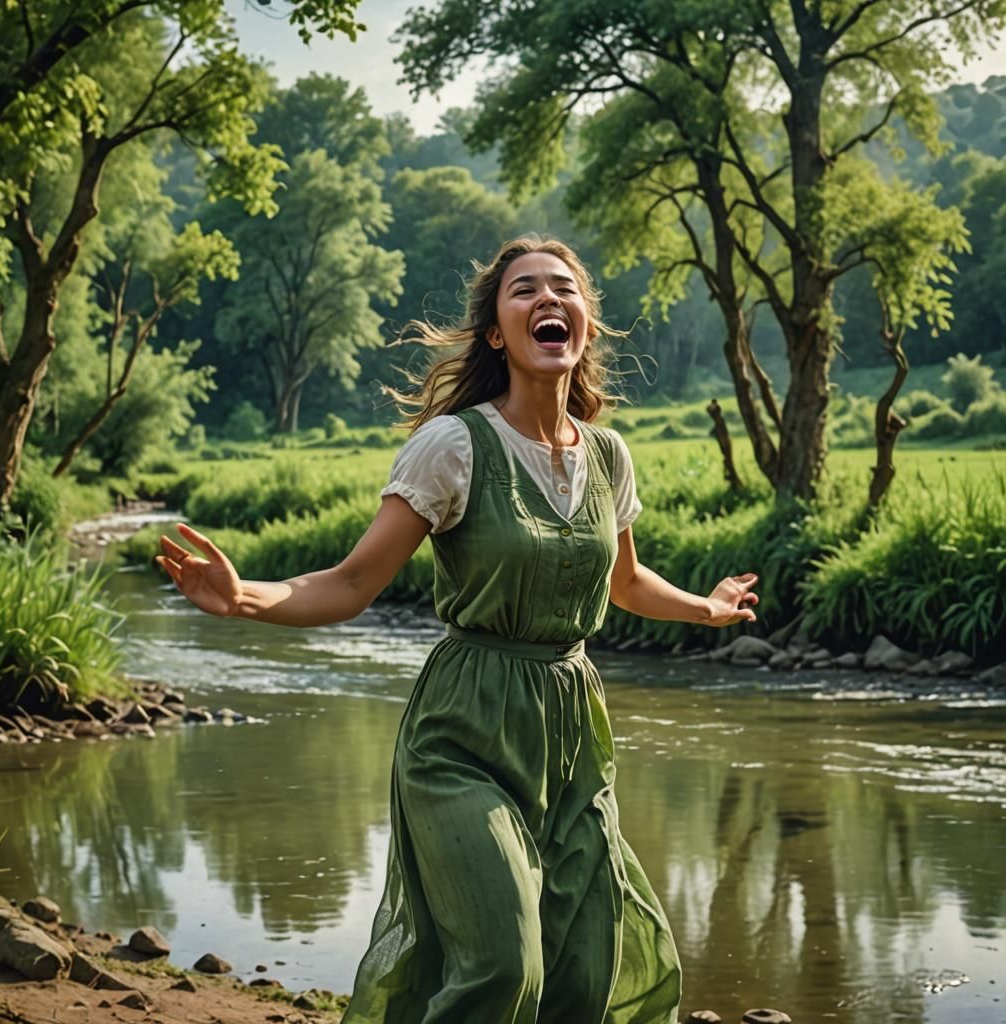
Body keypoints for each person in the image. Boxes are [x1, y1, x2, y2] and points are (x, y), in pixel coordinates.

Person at [157, 236, 759, 1024]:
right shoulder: (453, 446)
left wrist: (708, 609)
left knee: (583, 973)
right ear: (496, 334)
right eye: (525, 291)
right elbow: (351, 581)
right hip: (463, 735)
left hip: (574, 734)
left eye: (564, 288)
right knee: (503, 966)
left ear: (585, 323)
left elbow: (626, 581)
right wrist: (244, 600)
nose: (549, 299)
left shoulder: (608, 457)